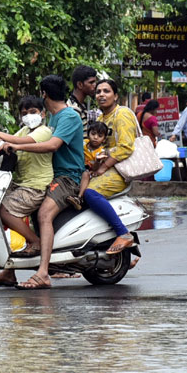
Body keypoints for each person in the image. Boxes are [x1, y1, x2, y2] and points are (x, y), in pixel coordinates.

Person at [0, 75, 86, 290]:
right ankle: (9, 271)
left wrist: (17, 147)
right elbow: (23, 139)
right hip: (51, 176)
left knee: (43, 215)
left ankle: (43, 272)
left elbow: (52, 145)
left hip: (67, 178)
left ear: (44, 94)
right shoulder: (52, 118)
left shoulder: (68, 116)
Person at [0, 97, 53, 286]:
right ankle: (8, 272)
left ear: (43, 114)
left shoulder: (44, 131)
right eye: (25, 113)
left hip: (36, 186)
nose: (29, 116)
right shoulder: (24, 129)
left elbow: (20, 141)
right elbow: (11, 140)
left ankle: (35, 241)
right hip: (20, 184)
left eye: (33, 112)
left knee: (2, 210)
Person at [80, 78, 137, 256]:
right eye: (98, 92)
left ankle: (123, 233)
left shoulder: (122, 114)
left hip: (119, 170)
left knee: (89, 193)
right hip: (105, 167)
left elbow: (126, 146)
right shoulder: (100, 118)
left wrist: (103, 167)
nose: (101, 95)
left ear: (116, 95)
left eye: (106, 91)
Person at [78, 120, 110, 201]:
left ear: (104, 139)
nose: (95, 137)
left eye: (100, 136)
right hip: (78, 167)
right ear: (88, 134)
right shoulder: (83, 143)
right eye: (93, 134)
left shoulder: (101, 151)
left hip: (90, 172)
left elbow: (95, 168)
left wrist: (98, 160)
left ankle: (79, 197)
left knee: (86, 174)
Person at [68, 64, 100, 133]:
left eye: (95, 82)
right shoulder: (74, 109)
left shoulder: (80, 105)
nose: (95, 85)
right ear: (80, 85)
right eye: (91, 82)